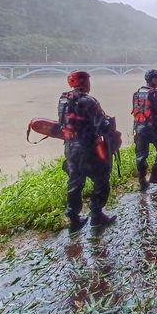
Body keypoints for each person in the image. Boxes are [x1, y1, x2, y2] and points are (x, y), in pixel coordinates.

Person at [58, 70, 116, 231]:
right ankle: (97, 215)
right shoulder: (90, 101)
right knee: (101, 179)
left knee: (75, 182)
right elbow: (102, 124)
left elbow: (62, 122)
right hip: (88, 148)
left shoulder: (63, 100)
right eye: (88, 81)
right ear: (84, 83)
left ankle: (74, 218)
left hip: (70, 148)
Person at [132, 69, 157, 191]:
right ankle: (154, 175)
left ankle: (142, 181)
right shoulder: (155, 93)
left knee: (141, 156)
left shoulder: (137, 93)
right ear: (152, 79)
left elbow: (135, 111)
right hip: (154, 129)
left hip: (139, 128)